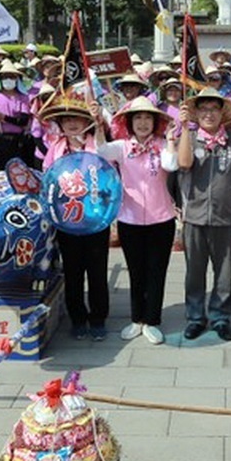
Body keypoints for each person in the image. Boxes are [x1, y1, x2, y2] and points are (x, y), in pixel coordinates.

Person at [99, 96, 178, 346]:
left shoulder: (163, 145)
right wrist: (96, 123)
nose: (143, 123)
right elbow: (101, 152)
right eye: (138, 118)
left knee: (157, 271)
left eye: (147, 118)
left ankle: (152, 320)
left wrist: (173, 141)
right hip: (129, 219)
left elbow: (172, 164)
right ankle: (136, 319)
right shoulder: (122, 147)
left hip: (162, 218)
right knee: (136, 271)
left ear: (155, 122)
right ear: (130, 122)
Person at [39, 92, 110, 340]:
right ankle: (78, 318)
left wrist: (99, 123)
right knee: (73, 271)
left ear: (86, 120)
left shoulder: (96, 143)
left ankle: (99, 318)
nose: (72, 123)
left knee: (97, 270)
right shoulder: (56, 147)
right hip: (66, 220)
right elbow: (47, 179)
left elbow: (107, 162)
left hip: (95, 219)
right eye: (66, 118)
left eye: (77, 117)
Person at [177, 87, 231, 342]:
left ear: (221, 113)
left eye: (213, 109)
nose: (208, 114)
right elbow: (183, 164)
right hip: (193, 216)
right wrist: (184, 128)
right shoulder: (189, 138)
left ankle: (220, 317)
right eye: (203, 109)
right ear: (196, 113)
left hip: (225, 216)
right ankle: (195, 317)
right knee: (194, 271)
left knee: (225, 271)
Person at [0, 60, 34, 171]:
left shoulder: (23, 98)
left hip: (17, 142)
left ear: (17, 79)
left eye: (11, 77)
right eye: (5, 77)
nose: (8, 80)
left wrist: (5, 118)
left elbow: (24, 121)